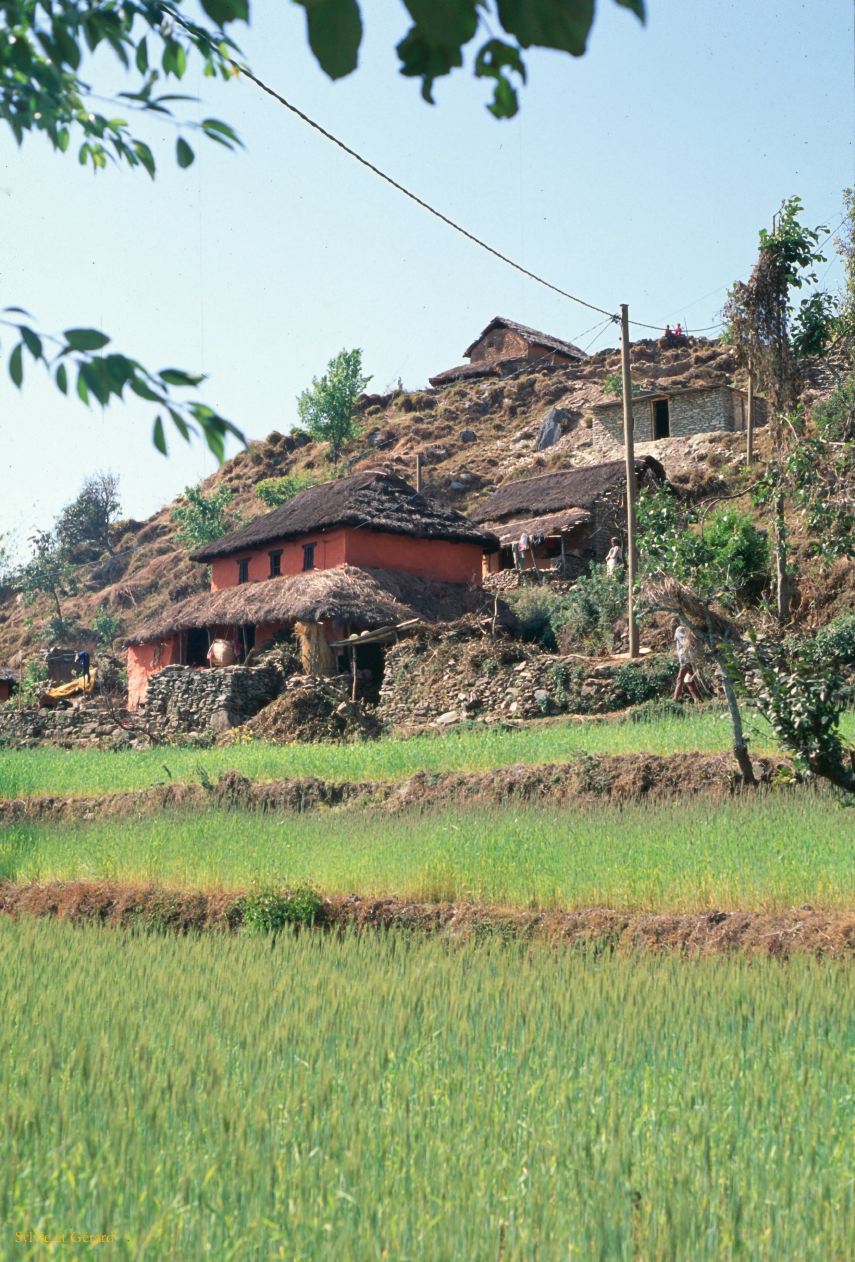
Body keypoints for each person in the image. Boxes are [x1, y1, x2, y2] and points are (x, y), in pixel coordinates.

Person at [672, 619, 700, 703]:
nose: (671, 626)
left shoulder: (679, 629)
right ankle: (696, 699)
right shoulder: (686, 629)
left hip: (685, 659)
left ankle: (674, 701)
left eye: (672, 624)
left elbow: (685, 642)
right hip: (690, 657)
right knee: (688, 679)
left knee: (679, 679)